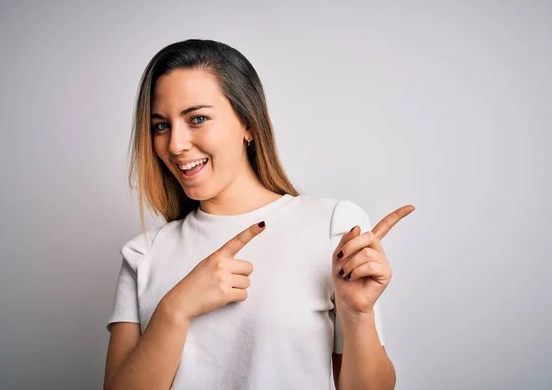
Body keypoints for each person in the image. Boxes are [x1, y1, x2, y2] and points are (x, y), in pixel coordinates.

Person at [103, 39, 414, 390]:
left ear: (248, 123)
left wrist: (358, 316)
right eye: (161, 125)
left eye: (198, 118)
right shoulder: (143, 255)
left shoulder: (331, 228)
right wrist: (174, 310)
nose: (175, 144)